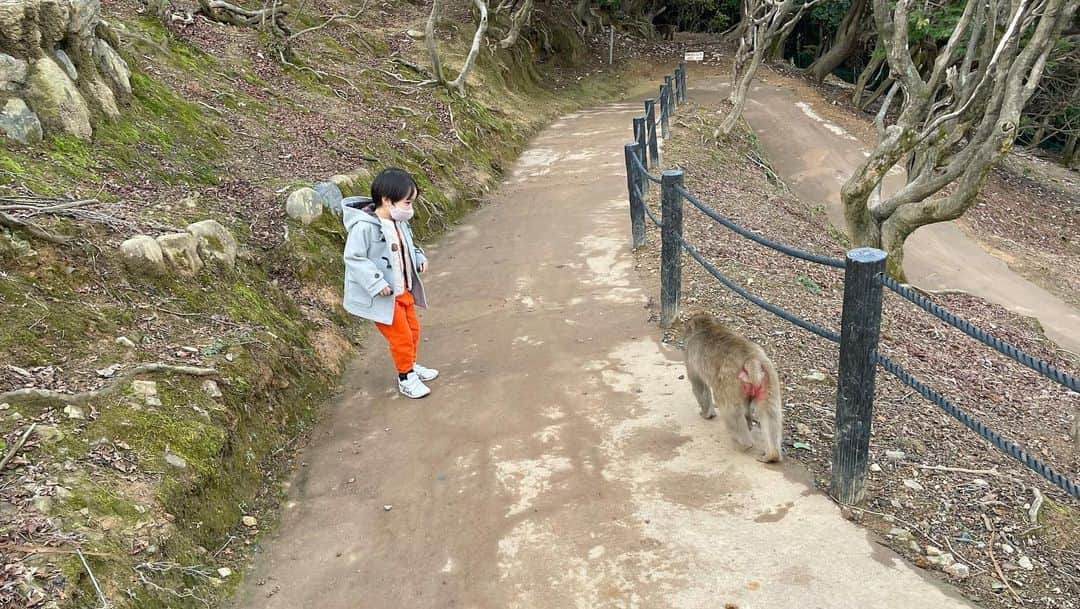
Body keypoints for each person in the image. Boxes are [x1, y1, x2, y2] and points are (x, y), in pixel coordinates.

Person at [342, 168, 438, 398]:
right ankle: (405, 377)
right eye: (407, 203)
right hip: (384, 296)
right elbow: (354, 258)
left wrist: (419, 258)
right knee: (401, 337)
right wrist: (376, 283)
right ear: (387, 200)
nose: (410, 209)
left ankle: (411, 366)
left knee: (413, 331)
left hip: (402, 290)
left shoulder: (399, 222)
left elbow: (408, 247)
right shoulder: (364, 227)